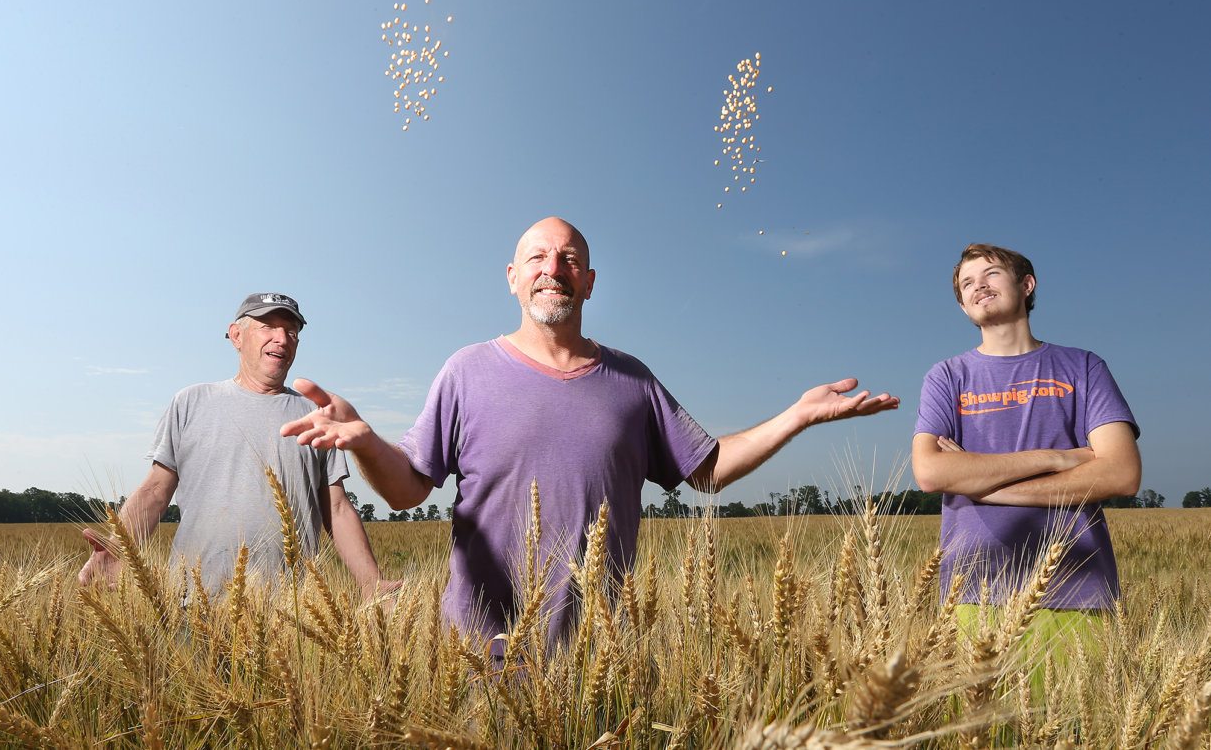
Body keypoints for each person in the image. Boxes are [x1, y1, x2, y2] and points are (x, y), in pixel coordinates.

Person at [281, 217, 899, 645]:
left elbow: (708, 470)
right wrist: (364, 441)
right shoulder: (465, 371)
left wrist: (799, 415)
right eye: (538, 258)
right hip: (476, 655)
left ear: (590, 281)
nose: (554, 268)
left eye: (570, 259)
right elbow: (407, 491)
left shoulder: (632, 379)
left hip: (602, 652)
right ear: (513, 277)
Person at [78, 292, 394, 600]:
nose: (282, 339)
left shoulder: (317, 415)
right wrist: (118, 550)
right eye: (268, 327)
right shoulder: (191, 402)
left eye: (291, 331)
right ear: (236, 336)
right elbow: (155, 492)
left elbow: (336, 507)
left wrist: (371, 582)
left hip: (290, 612)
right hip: (193, 602)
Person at [911, 244, 1141, 629]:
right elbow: (931, 473)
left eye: (991, 274)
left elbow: (1122, 474)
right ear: (963, 307)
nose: (978, 286)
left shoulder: (1083, 367)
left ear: (1027, 284)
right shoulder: (946, 377)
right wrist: (1057, 458)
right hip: (972, 593)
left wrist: (987, 488)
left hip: (1078, 588)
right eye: (967, 283)